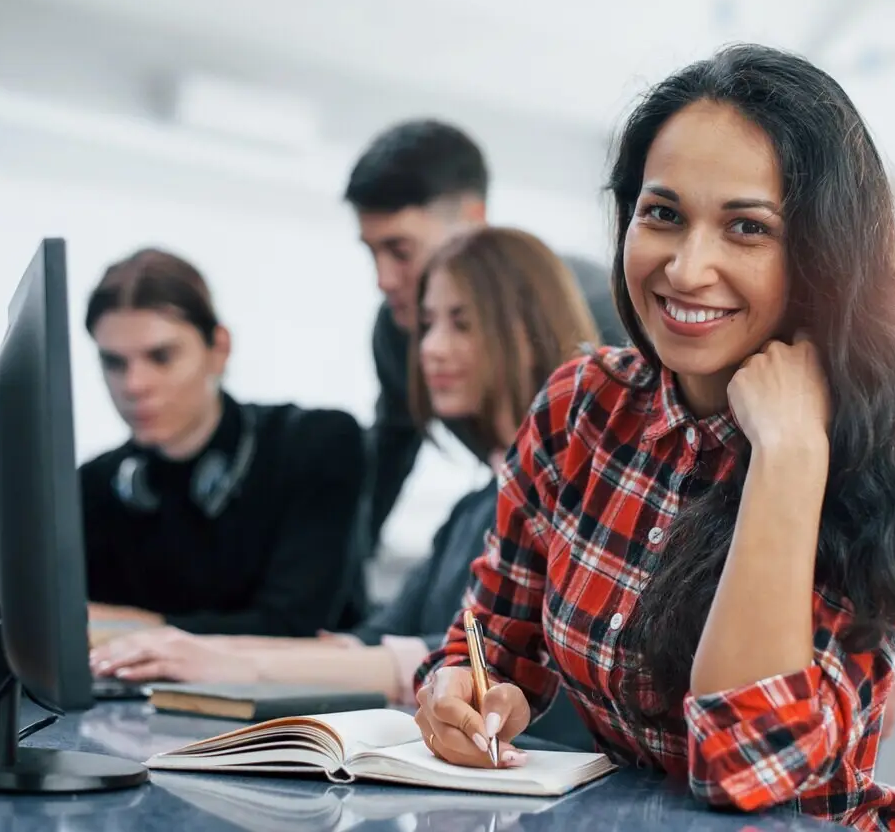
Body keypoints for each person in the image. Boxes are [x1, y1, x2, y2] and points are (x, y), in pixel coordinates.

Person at [410, 45, 895, 830]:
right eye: (663, 215)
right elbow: (487, 644)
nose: (688, 269)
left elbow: (746, 767)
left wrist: (788, 457)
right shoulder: (579, 407)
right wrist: (456, 690)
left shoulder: (894, 477)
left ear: (823, 255)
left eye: (747, 228)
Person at [86, 228, 599, 750]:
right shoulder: (470, 510)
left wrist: (223, 659)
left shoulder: (573, 495)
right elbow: (370, 642)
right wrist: (188, 649)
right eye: (426, 325)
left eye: (461, 324)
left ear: (524, 327)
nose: (431, 349)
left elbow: (441, 660)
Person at [345, 119, 626, 547]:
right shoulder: (394, 333)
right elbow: (387, 460)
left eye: (401, 251)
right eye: (372, 252)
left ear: (474, 222)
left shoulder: (606, 314)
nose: (383, 280)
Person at [80, 248, 368, 637]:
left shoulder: (313, 445)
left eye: (161, 357)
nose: (134, 385)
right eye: (114, 363)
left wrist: (135, 629)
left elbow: (292, 627)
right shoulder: (93, 486)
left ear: (219, 349)